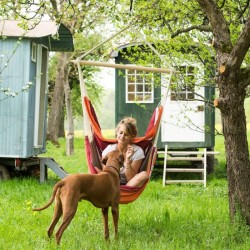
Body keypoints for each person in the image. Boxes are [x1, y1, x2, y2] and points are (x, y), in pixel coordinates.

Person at [101, 117, 149, 188]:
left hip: (129, 184)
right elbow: (105, 175)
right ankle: (115, 191)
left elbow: (131, 178)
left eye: (126, 135)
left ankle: (123, 191)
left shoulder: (138, 151)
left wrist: (128, 159)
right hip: (111, 183)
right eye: (120, 133)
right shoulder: (109, 149)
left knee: (144, 175)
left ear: (132, 136)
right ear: (117, 133)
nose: (122, 136)